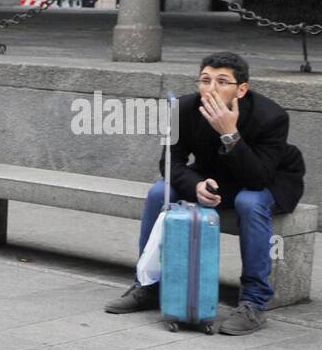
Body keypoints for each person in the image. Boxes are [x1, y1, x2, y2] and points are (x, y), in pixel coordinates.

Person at [104, 51, 305, 335]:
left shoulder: (271, 116)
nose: (211, 88)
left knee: (249, 202)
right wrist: (196, 186)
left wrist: (230, 134)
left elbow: (257, 178)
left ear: (242, 89)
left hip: (271, 180)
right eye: (205, 80)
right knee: (159, 191)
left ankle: (254, 302)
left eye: (222, 81)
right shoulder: (184, 108)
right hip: (214, 176)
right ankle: (148, 285)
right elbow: (170, 162)